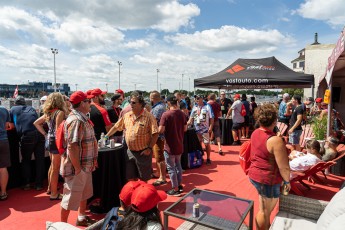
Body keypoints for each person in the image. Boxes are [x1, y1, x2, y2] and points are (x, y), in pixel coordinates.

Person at [248, 103, 290, 230]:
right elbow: (284, 167)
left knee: (263, 210)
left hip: (256, 175)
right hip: (268, 179)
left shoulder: (255, 132)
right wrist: (287, 181)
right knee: (264, 211)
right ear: (274, 120)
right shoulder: (275, 140)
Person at [60, 91, 98, 227]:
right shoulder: (76, 120)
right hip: (78, 167)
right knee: (70, 198)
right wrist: (77, 168)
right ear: (82, 103)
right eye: (88, 101)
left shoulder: (82, 118)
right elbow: (72, 146)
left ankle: (81, 217)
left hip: (85, 166)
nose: (90, 104)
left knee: (84, 193)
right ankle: (62, 226)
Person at [105, 94, 159, 182]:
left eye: (134, 103)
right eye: (130, 102)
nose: (131, 105)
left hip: (143, 153)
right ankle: (133, 194)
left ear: (141, 104)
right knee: (130, 178)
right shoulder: (127, 116)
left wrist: (149, 148)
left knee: (143, 179)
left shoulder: (149, 117)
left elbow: (155, 133)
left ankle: (142, 194)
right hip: (129, 152)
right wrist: (106, 136)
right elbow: (116, 127)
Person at [34, 92, 67, 200]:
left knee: (53, 166)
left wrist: (45, 134)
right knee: (55, 168)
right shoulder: (59, 112)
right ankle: (53, 193)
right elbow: (59, 130)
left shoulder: (49, 112)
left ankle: (50, 189)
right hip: (55, 141)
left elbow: (36, 123)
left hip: (49, 139)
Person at [10, 96, 45, 191]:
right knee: (40, 160)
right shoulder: (31, 108)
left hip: (27, 135)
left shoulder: (13, 109)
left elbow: (10, 124)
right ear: (24, 102)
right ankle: (39, 184)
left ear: (15, 103)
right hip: (40, 134)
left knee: (26, 160)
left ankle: (26, 183)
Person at [159, 95, 187, 196]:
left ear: (169, 103)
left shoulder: (166, 114)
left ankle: (175, 188)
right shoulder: (182, 114)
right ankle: (179, 186)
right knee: (178, 166)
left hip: (169, 145)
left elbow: (161, 129)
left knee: (171, 168)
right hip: (179, 143)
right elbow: (185, 128)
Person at [187, 95, 214, 165]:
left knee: (206, 143)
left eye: (198, 98)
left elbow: (212, 118)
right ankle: (200, 157)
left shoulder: (207, 106)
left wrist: (211, 127)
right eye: (196, 99)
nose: (197, 100)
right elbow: (191, 117)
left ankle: (208, 158)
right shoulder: (194, 107)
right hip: (197, 129)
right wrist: (187, 123)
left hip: (205, 129)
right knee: (198, 144)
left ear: (202, 99)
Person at [150, 91, 167, 186]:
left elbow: (153, 121)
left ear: (153, 98)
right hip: (158, 135)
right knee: (158, 155)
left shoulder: (158, 108)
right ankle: (159, 174)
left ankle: (162, 177)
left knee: (159, 156)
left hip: (158, 136)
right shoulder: (161, 106)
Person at [0, 106, 11, 200]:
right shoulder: (4, 110)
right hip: (3, 139)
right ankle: (3, 192)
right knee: (3, 167)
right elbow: (7, 126)